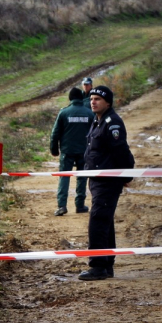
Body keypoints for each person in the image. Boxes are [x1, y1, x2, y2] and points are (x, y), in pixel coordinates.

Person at [80, 85, 134, 281]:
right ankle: (107, 263)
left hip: (107, 182)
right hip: (97, 181)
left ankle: (98, 266)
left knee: (98, 221)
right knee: (105, 221)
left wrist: (127, 176)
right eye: (92, 98)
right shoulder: (98, 120)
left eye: (98, 99)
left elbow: (122, 152)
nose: (93, 101)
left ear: (108, 102)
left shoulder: (112, 123)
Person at [49, 87, 94, 216]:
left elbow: (55, 133)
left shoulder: (64, 113)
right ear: (81, 98)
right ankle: (80, 205)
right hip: (84, 151)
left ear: (70, 99)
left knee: (64, 177)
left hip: (67, 151)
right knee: (82, 177)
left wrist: (54, 149)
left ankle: (62, 206)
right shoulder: (89, 113)